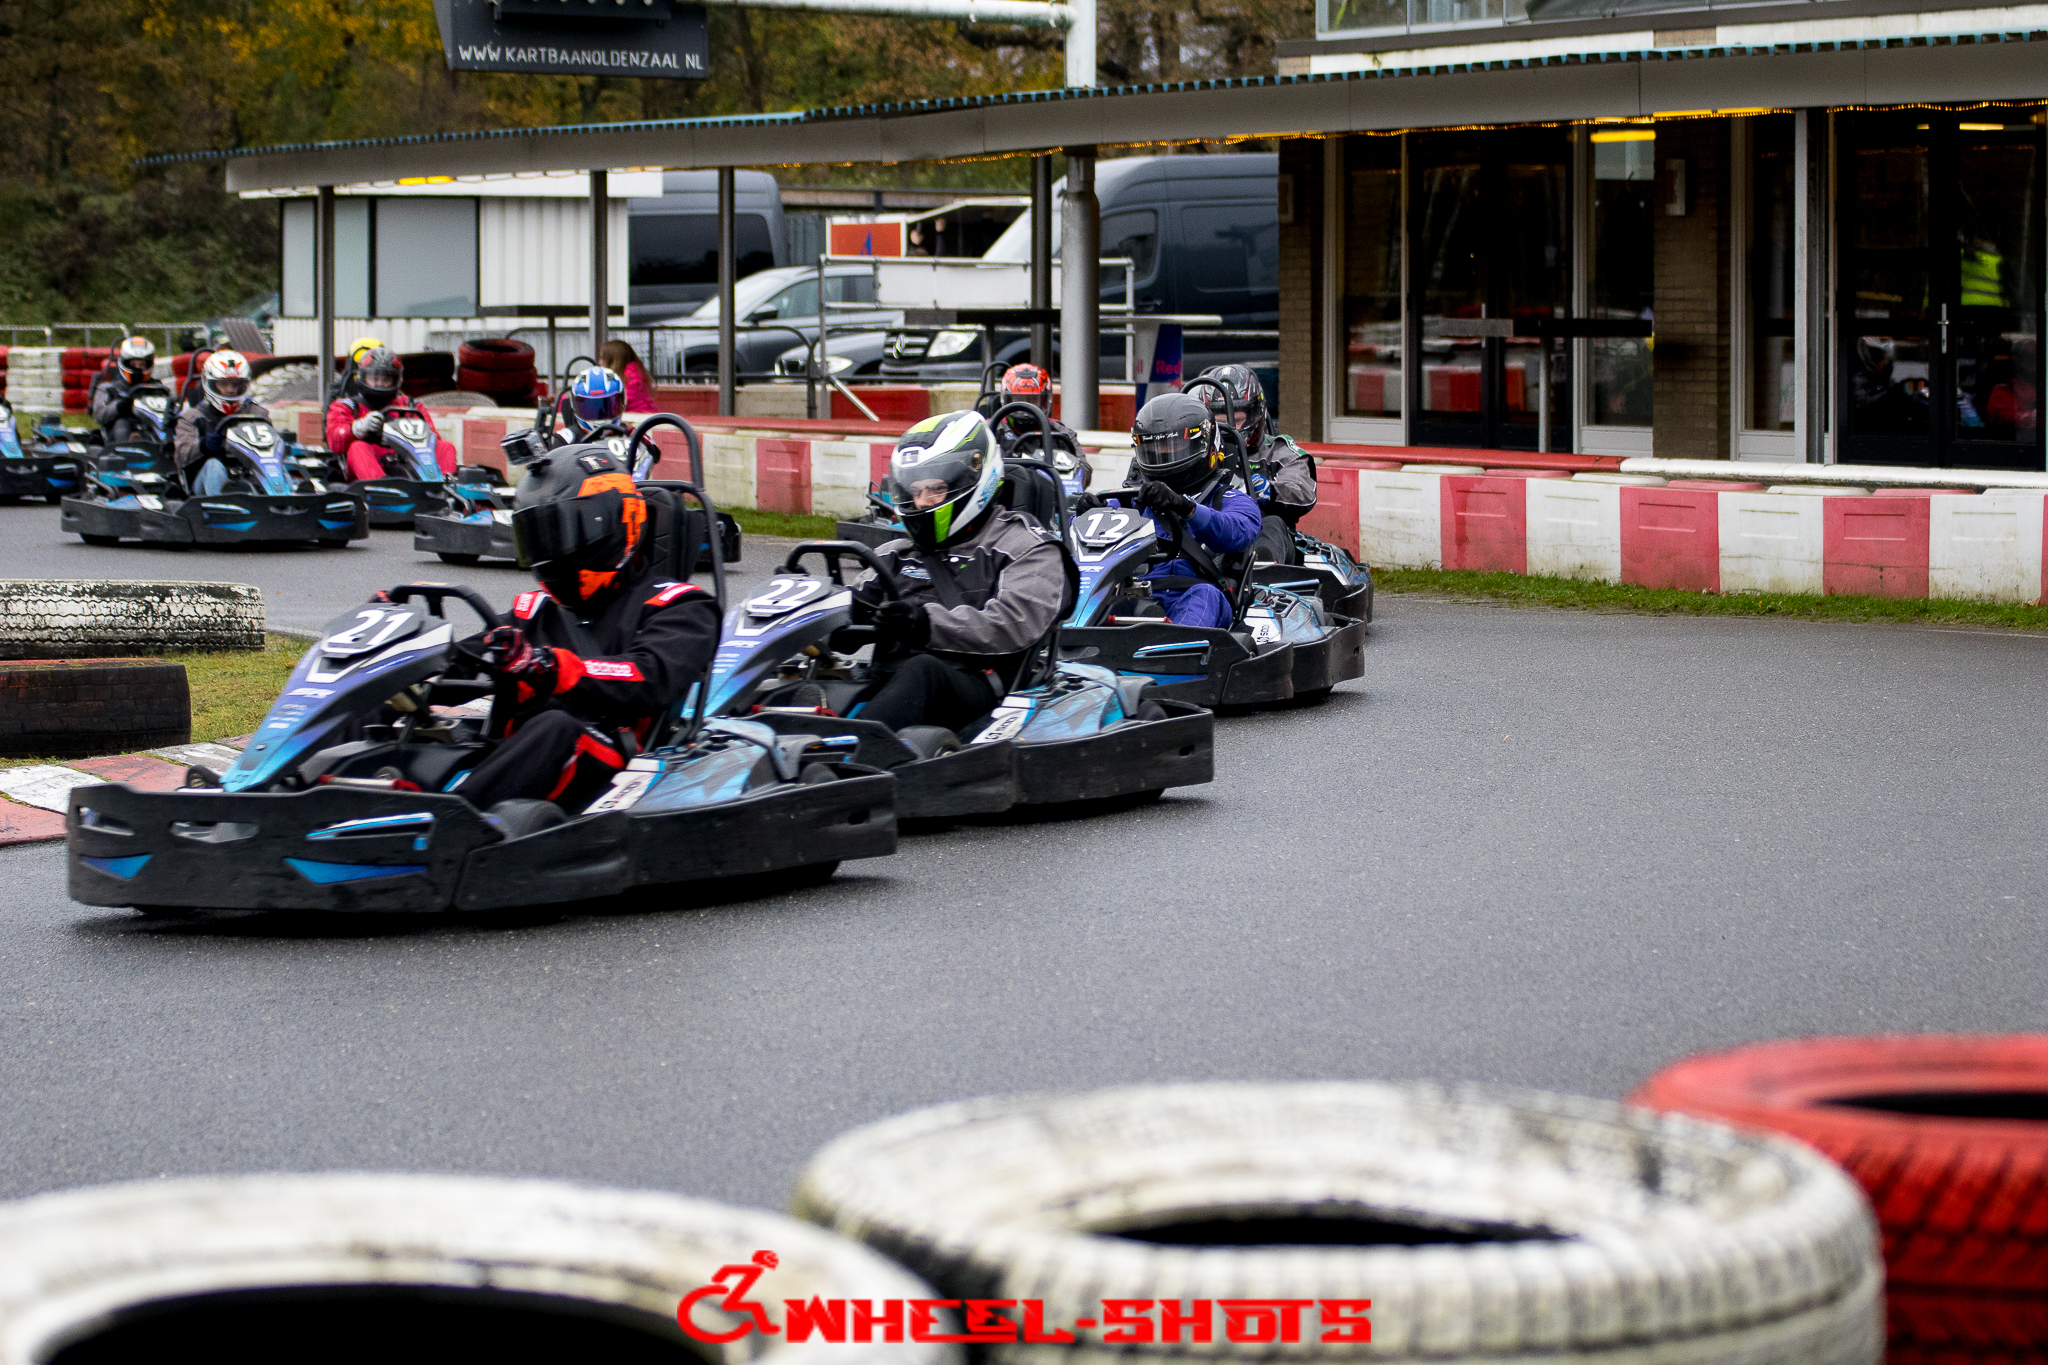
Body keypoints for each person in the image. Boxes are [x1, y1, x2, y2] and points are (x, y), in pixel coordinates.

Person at [453, 446, 721, 815]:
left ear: (616, 522)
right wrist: (406, 646)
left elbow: (650, 676)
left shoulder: (680, 606)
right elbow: (465, 660)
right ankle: (380, 800)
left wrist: (546, 666)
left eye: (563, 529)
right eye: (541, 533)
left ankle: (444, 825)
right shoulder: (535, 610)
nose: (551, 547)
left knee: (556, 727)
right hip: (516, 749)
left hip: (613, 759)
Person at [846, 411, 1067, 736]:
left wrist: (926, 623)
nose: (922, 503)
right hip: (893, 681)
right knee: (818, 681)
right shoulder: (895, 554)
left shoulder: (1025, 546)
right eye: (915, 491)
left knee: (923, 671)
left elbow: (1014, 623)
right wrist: (819, 611)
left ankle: (846, 756)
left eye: (935, 489)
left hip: (979, 686)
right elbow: (847, 605)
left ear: (972, 480)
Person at [1077, 391, 1261, 631]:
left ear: (1204, 444)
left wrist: (1186, 508)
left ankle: (1174, 647)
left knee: (1205, 595)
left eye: (1175, 446)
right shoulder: (1129, 502)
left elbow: (1239, 531)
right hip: (1133, 599)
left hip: (1194, 595)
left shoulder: (1227, 498)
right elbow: (1081, 554)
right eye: (1155, 447)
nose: (1164, 454)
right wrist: (1084, 518)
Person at [1194, 363, 1315, 564]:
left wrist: (1272, 491)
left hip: (1259, 540)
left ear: (1255, 414)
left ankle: (1260, 572)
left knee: (1272, 523)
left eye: (1236, 419)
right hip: (1206, 536)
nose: (1227, 428)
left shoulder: (1280, 452)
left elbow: (1302, 490)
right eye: (1219, 421)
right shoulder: (1198, 455)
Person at [324, 345, 458, 480]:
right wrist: (358, 428)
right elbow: (335, 442)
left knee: (445, 446)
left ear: (395, 380)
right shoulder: (346, 406)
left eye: (385, 379)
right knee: (357, 447)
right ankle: (381, 485)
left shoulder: (410, 405)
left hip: (409, 466)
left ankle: (443, 484)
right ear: (363, 377)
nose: (380, 384)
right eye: (374, 378)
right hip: (367, 469)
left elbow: (433, 438)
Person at [172, 351, 267, 496]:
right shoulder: (193, 417)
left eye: (236, 384)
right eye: (224, 384)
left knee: (276, 466)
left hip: (248, 473)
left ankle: (287, 499)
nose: (231, 390)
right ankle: (222, 502)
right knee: (213, 465)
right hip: (205, 480)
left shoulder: (257, 414)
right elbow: (181, 455)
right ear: (211, 384)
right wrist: (203, 445)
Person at [987, 362, 1091, 487]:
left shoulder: (1060, 432)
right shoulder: (991, 430)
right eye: (1019, 399)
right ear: (1008, 400)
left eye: (1033, 400)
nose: (1026, 406)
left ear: (1044, 401)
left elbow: (1084, 469)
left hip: (1049, 493)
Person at [89, 336, 160, 441]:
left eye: (142, 364)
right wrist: (119, 407)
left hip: (152, 429)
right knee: (122, 423)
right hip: (118, 436)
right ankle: (130, 446)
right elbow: (99, 415)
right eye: (133, 364)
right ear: (124, 363)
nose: (137, 368)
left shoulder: (157, 388)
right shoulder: (108, 388)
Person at [598, 339, 658, 414]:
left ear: (613, 361)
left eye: (602, 358)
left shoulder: (630, 378)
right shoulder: (635, 372)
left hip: (638, 418)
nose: (599, 362)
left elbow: (616, 405)